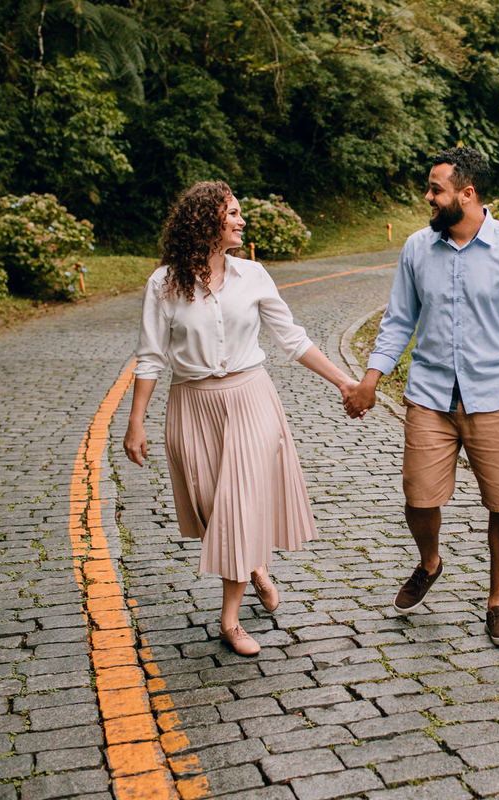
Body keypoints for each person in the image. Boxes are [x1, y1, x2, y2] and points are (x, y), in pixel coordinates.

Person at [123, 181, 357, 656]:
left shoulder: (253, 275)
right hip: (192, 405)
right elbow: (149, 357)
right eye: (231, 212)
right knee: (214, 508)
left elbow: (292, 339)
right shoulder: (163, 283)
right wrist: (135, 422)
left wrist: (344, 382)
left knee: (235, 505)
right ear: (204, 220)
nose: (241, 220)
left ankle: (229, 621)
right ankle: (253, 567)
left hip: (250, 398)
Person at [344, 147, 499, 647]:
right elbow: (398, 321)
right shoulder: (418, 249)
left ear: (467, 194)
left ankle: (497, 604)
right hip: (430, 396)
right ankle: (430, 561)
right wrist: (370, 381)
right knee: (419, 499)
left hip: (495, 397)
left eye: (436, 189)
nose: (428, 197)